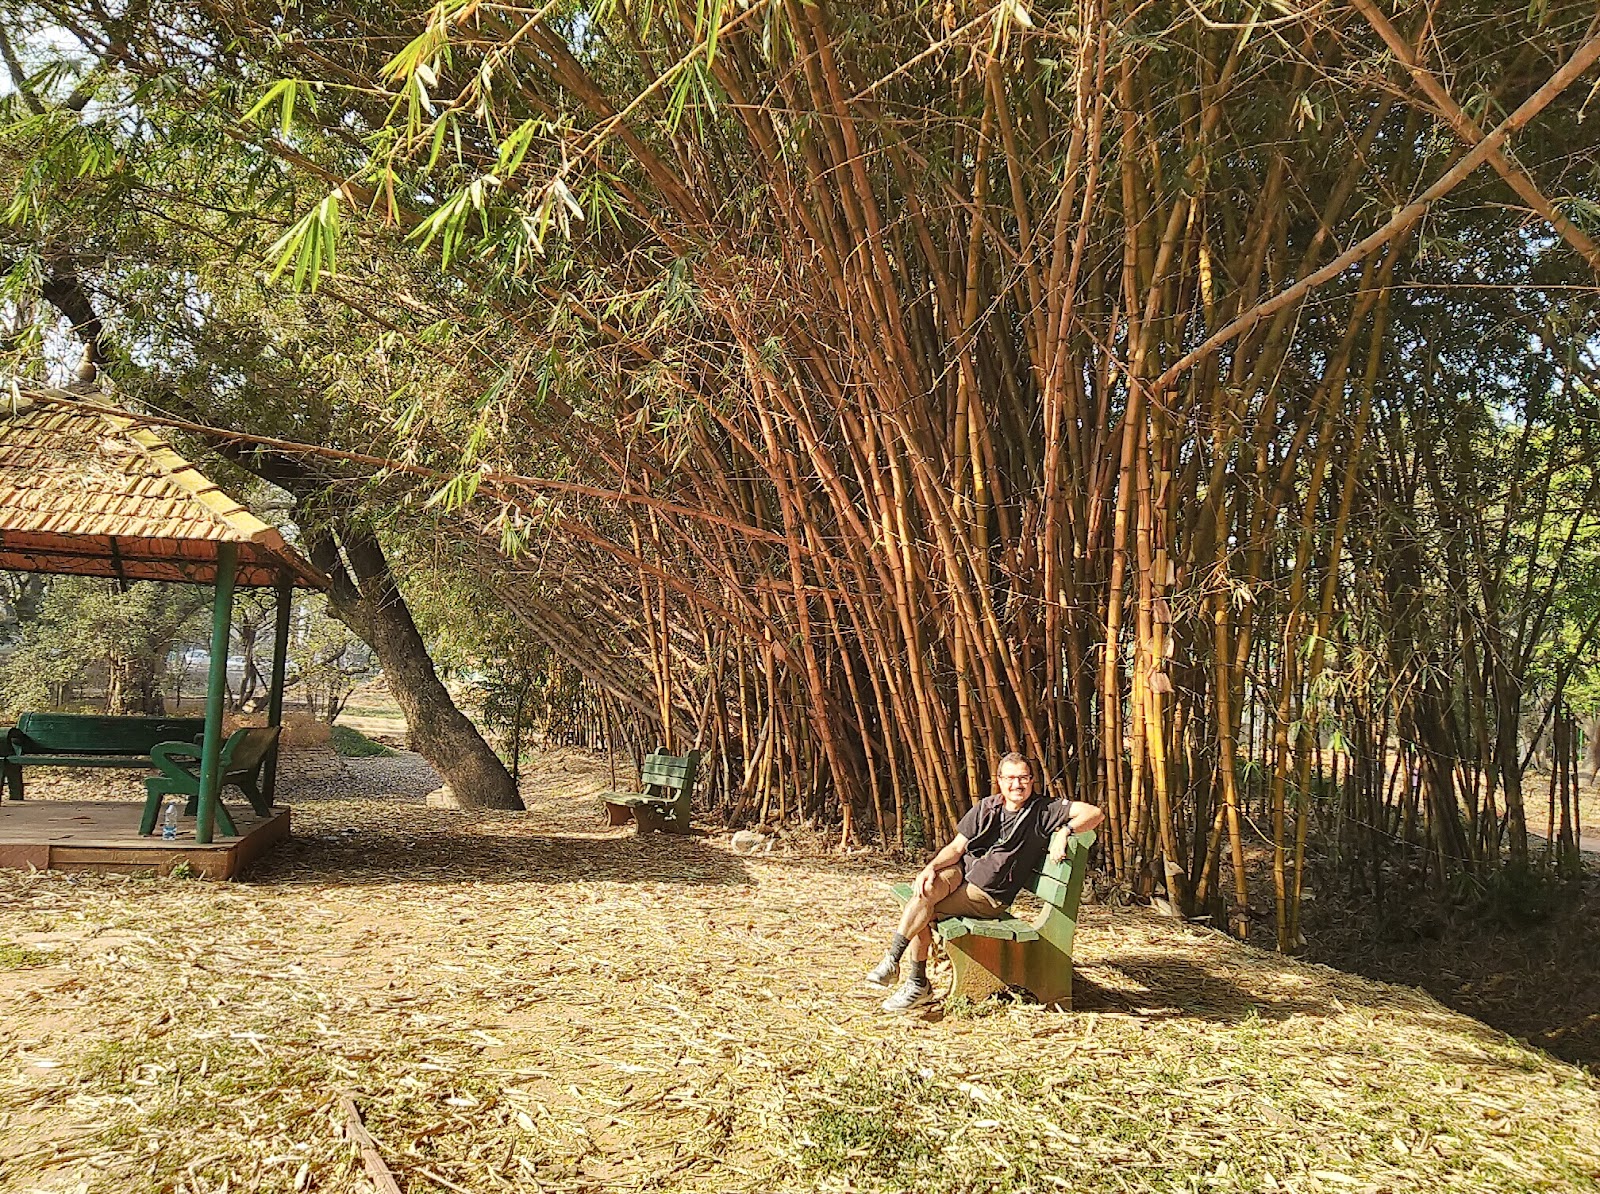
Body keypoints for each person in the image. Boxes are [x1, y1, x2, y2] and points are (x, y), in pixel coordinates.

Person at [866, 751, 1104, 1013]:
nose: (1017, 785)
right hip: (962, 873)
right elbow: (957, 848)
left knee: (925, 908)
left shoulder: (1044, 810)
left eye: (1023, 778)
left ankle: (916, 982)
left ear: (1032, 780)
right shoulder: (987, 807)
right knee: (925, 891)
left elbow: (1094, 813)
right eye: (1011, 778)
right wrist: (931, 868)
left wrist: (1065, 831)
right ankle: (894, 963)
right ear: (1000, 781)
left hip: (987, 895)